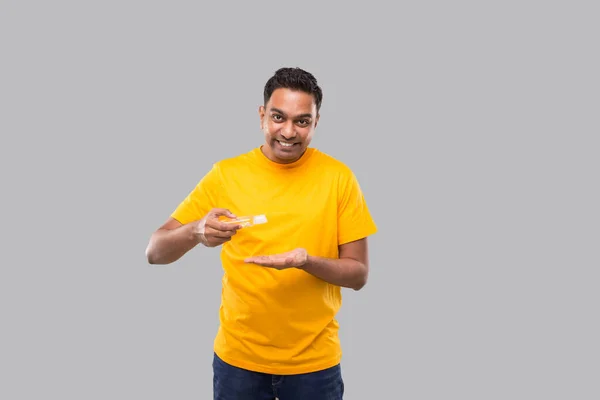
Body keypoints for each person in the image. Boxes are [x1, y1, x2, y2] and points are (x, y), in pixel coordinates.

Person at [145, 67, 377, 400]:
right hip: (238, 362)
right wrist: (196, 231)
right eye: (278, 117)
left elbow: (358, 275)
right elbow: (155, 252)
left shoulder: (339, 179)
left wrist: (305, 261)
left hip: (314, 366)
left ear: (316, 122)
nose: (288, 131)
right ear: (261, 115)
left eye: (302, 121)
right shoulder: (226, 174)